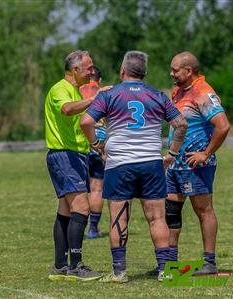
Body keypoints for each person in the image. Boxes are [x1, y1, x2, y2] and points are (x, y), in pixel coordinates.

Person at [80, 50, 188, 283]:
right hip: (151, 163)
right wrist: (171, 153)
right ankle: (164, 271)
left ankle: (119, 272)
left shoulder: (109, 95)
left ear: (122, 71)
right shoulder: (157, 95)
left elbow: (86, 121)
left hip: (119, 165)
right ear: (144, 73)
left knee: (118, 218)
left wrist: (97, 144)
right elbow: (181, 123)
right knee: (157, 218)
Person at [163, 51, 230, 275]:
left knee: (203, 210)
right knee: (170, 211)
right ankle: (169, 263)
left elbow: (223, 126)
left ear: (189, 71)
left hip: (196, 165)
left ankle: (209, 262)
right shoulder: (178, 91)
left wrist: (205, 153)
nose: (171, 73)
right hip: (175, 164)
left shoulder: (203, 92)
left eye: (175, 70)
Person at [45, 50, 107, 281]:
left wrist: (95, 144)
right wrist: (95, 99)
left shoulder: (73, 90)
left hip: (74, 156)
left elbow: (78, 123)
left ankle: (60, 267)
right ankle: (76, 266)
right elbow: (67, 109)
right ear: (75, 70)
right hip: (65, 156)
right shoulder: (60, 89)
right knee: (82, 208)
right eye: (89, 67)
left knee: (65, 210)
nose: (92, 71)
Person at [79, 66, 107, 239]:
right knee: (96, 188)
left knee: (79, 188)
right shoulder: (103, 93)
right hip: (99, 144)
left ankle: (77, 227)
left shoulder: (76, 91)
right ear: (100, 79)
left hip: (80, 143)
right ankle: (93, 228)